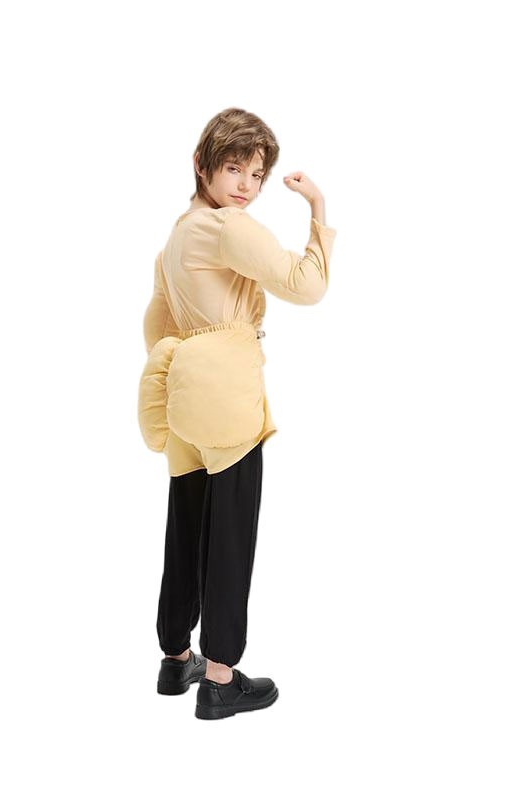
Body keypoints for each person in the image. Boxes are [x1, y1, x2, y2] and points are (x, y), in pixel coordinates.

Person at [137, 107, 337, 719]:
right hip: (225, 393)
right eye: (234, 168)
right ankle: (221, 677)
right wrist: (318, 209)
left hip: (182, 393)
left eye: (256, 173)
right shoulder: (228, 226)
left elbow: (157, 320)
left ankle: (177, 658)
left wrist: (181, 374)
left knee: (186, 523)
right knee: (230, 531)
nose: (247, 185)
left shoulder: (176, 237)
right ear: (201, 165)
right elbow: (306, 285)